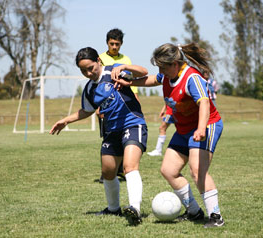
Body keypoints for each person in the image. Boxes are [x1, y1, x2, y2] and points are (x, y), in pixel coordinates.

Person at [112, 43, 225, 228]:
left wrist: (201, 129)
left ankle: (216, 217)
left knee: (197, 171)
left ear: (174, 63)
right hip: (184, 130)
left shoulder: (191, 78)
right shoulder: (166, 75)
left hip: (206, 126)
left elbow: (204, 104)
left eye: (163, 67)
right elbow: (151, 80)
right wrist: (130, 83)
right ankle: (194, 212)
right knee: (168, 171)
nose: (160, 71)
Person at [49, 47, 148, 226]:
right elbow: (86, 110)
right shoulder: (89, 90)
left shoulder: (114, 70)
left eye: (90, 68)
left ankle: (135, 209)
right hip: (111, 132)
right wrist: (66, 120)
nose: (88, 73)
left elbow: (144, 72)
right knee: (108, 172)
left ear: (99, 62)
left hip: (133, 123)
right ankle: (113, 209)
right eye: (83, 70)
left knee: (129, 166)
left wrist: (127, 67)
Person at [98, 28, 139, 183]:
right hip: (106, 104)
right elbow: (97, 84)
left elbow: (131, 81)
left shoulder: (126, 60)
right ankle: (106, 172)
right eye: (112, 44)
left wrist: (135, 97)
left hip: (124, 103)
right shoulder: (100, 59)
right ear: (107, 43)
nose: (114, 47)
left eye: (117, 44)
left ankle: (121, 170)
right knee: (107, 137)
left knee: (124, 135)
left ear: (121, 44)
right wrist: (98, 106)